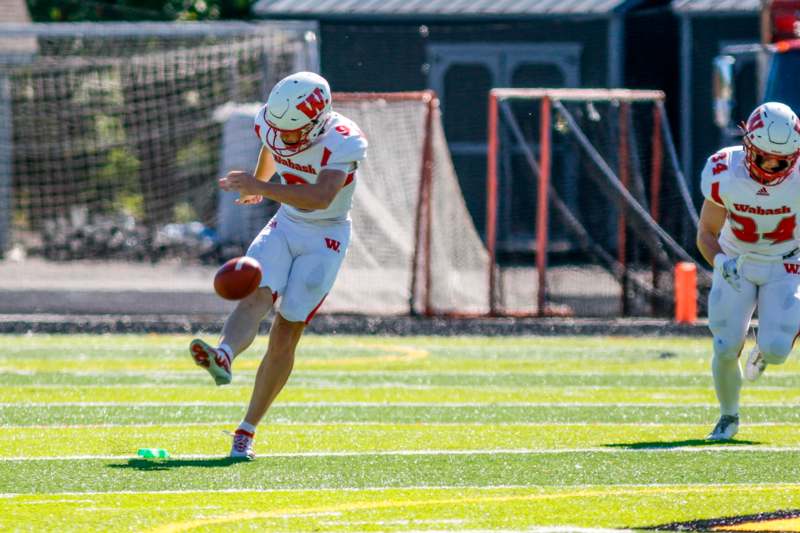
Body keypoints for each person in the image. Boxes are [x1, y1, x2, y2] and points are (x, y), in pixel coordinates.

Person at [189, 72, 368, 459]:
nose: (284, 136)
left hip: (326, 237)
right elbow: (272, 149)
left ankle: (247, 429)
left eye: (293, 131)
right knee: (256, 292)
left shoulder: (343, 138)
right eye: (279, 128)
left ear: (318, 120)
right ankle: (223, 354)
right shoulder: (272, 123)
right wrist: (261, 179)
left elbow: (321, 197)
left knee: (286, 332)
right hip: (285, 223)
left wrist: (260, 187)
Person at [697, 101, 800, 441]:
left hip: (786, 262)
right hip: (737, 259)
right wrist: (721, 262)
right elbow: (706, 234)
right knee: (725, 345)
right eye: (763, 157)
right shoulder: (724, 171)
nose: (771, 166)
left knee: (776, 350)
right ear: (748, 146)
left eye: (781, 161)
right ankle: (728, 416)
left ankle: (767, 348)